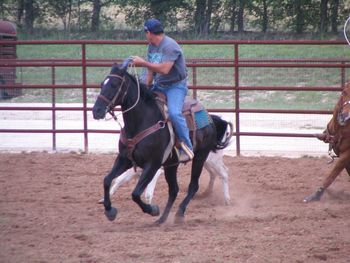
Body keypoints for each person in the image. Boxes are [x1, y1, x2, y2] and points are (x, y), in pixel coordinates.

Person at [131, 18, 194, 163]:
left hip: (176, 86)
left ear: (150, 32)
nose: (146, 35)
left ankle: (186, 147)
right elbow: (150, 70)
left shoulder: (170, 46)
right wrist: (145, 87)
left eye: (146, 32)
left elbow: (165, 69)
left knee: (174, 112)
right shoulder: (151, 46)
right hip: (159, 84)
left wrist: (142, 62)